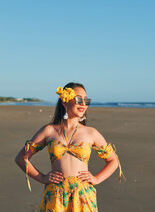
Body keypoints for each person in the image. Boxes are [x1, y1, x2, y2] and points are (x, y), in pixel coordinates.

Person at [15, 82, 124, 212]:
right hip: (56, 196)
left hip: (82, 197)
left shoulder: (91, 132)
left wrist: (96, 179)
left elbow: (113, 160)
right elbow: (21, 158)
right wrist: (42, 177)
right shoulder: (49, 131)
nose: (83, 104)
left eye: (86, 100)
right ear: (65, 102)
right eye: (79, 99)